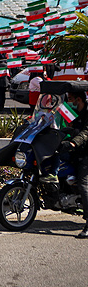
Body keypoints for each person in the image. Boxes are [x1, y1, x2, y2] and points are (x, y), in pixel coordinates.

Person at [58, 88, 88, 238]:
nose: (70, 102)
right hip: (78, 152)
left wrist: (74, 143)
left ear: (79, 100)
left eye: (71, 99)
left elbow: (85, 133)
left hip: (86, 153)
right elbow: (73, 127)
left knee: (83, 184)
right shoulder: (80, 114)